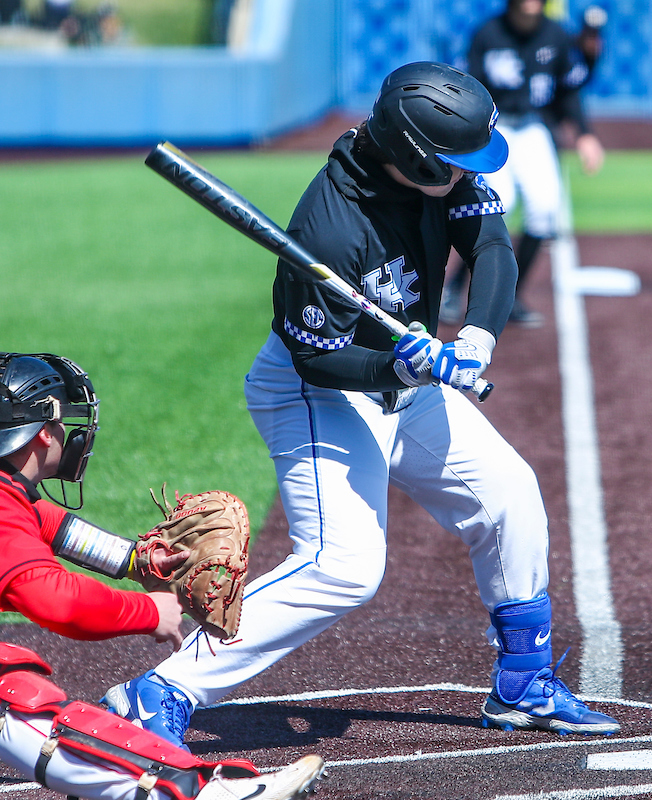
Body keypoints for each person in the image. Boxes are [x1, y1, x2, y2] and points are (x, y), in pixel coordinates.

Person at [100, 60, 620, 746]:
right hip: (317, 391)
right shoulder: (329, 227)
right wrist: (397, 360)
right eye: (456, 163)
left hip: (401, 384)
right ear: (412, 154)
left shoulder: (443, 173)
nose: (469, 172)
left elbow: (491, 245)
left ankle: (523, 682)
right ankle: (158, 691)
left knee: (509, 495)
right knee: (344, 567)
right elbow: (319, 356)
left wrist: (478, 335)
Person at [0, 352, 325, 800]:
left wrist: (140, 561)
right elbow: (57, 602)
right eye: (61, 422)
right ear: (39, 433)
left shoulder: (12, 500)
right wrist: (148, 609)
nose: (67, 434)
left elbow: (49, 527)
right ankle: (192, 792)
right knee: (15, 698)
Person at [440, 0, 606, 329]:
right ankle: (455, 289)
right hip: (495, 128)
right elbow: (467, 88)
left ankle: (512, 296)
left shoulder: (557, 35)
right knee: (494, 207)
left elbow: (568, 92)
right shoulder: (488, 33)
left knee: (545, 208)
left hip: (533, 127)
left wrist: (584, 134)